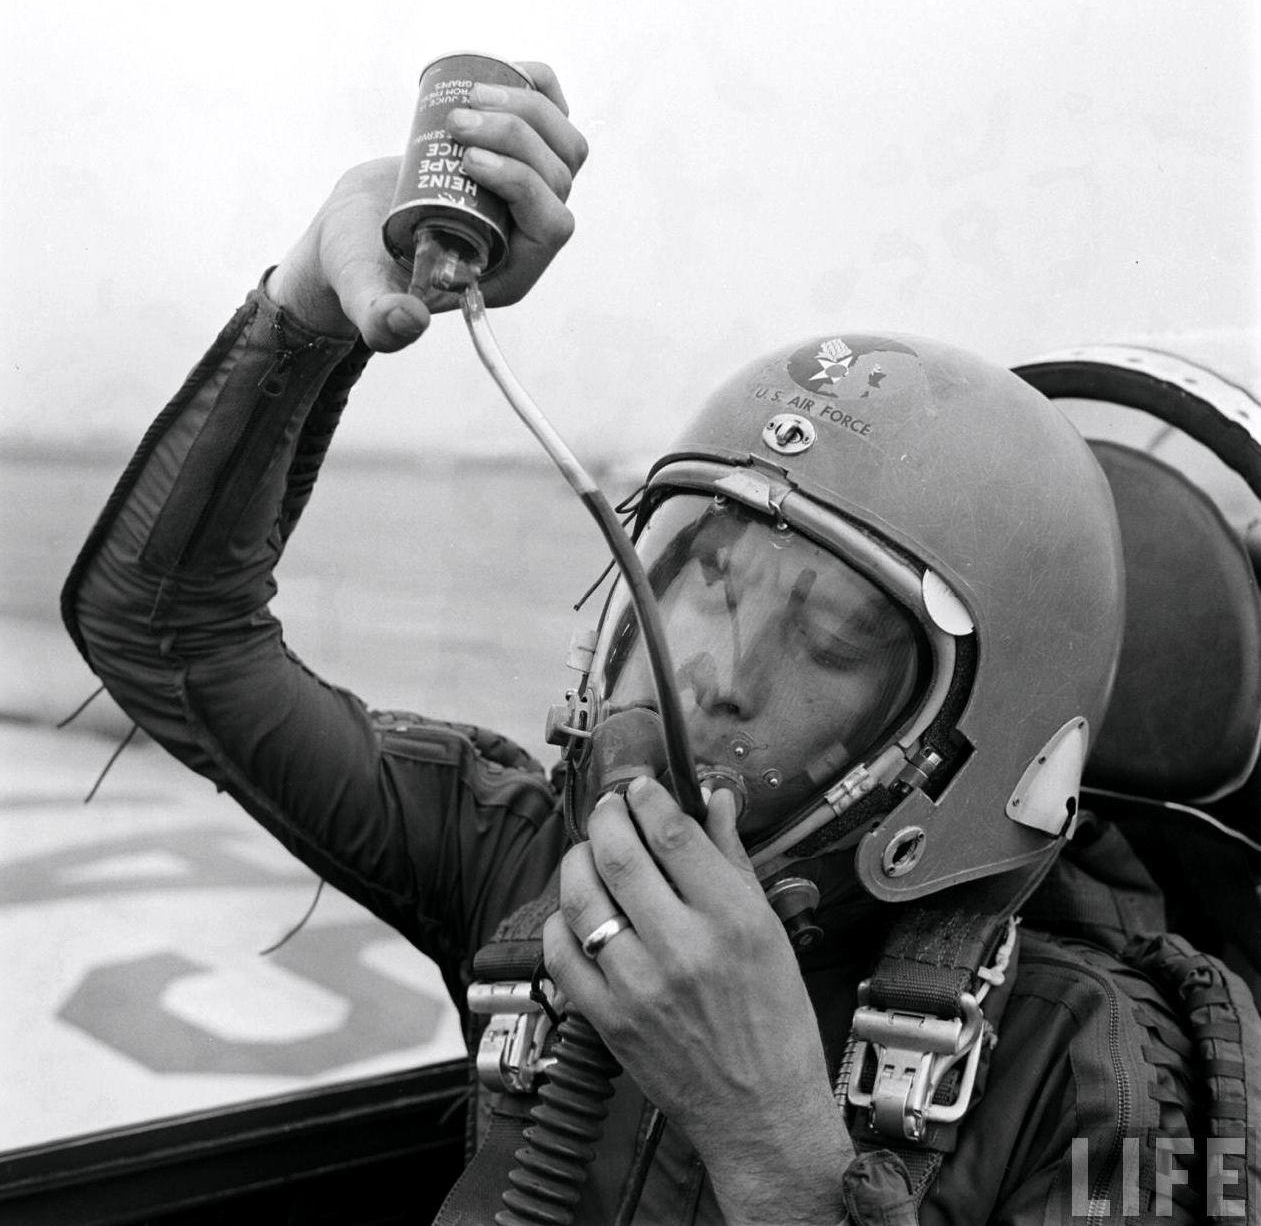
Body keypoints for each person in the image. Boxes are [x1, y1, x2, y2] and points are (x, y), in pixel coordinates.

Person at [62, 61, 1244, 1225]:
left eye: (828, 639)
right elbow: (166, 631)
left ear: (958, 752)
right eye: (701, 580)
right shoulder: (534, 868)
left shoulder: (1096, 1062)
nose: (710, 674)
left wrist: (774, 1145)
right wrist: (312, 305)